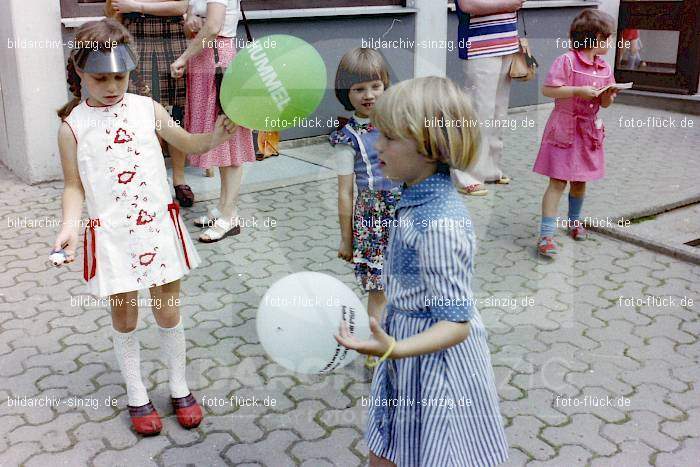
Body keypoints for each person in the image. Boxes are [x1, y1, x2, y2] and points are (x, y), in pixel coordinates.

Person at [54, 19, 238, 436]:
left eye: (120, 76)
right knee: (124, 315)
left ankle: (178, 385)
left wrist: (213, 137)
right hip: (113, 237)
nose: (112, 86)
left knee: (169, 310)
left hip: (157, 228)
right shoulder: (72, 128)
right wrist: (68, 225)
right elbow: (72, 186)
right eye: (100, 78)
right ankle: (136, 391)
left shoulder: (147, 108)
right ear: (80, 72)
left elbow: (187, 144)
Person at [336, 77, 509, 466]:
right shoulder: (413, 196)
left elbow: (456, 323)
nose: (377, 146)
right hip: (405, 343)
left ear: (431, 147)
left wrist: (395, 348)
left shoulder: (441, 223)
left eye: (390, 138)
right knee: (388, 447)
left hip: (434, 363)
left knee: (434, 449)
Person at [533, 9, 617, 257]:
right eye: (608, 38)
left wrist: (608, 97)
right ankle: (546, 235)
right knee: (558, 181)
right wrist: (578, 91)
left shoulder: (604, 68)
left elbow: (604, 105)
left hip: (588, 131)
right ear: (595, 38)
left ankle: (573, 222)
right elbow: (549, 90)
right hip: (564, 128)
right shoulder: (566, 61)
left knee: (580, 181)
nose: (611, 43)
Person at [171, 0, 256, 242]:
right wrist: (191, 21)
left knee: (229, 138)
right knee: (219, 139)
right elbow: (193, 24)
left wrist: (183, 58)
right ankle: (223, 208)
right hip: (205, 61)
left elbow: (213, 28)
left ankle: (230, 216)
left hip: (218, 62)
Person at [330, 48, 402, 323]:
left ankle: (410, 342)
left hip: (406, 211)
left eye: (375, 86)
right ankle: (377, 346)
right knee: (379, 290)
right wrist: (346, 239)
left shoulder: (398, 123)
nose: (369, 95)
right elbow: (345, 193)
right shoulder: (346, 138)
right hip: (372, 219)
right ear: (345, 93)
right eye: (359, 89)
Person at [107, 0, 196, 207]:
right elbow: (114, 8)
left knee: (176, 112)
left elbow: (180, 6)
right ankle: (155, 179)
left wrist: (136, 6)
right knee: (142, 113)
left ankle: (179, 180)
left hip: (171, 37)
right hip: (134, 37)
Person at [454, 0, 524, 195]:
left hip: (507, 42)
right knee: (478, 112)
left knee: (498, 111)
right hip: (478, 44)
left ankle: (490, 169)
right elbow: (468, 5)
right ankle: (466, 175)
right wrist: (509, 4)